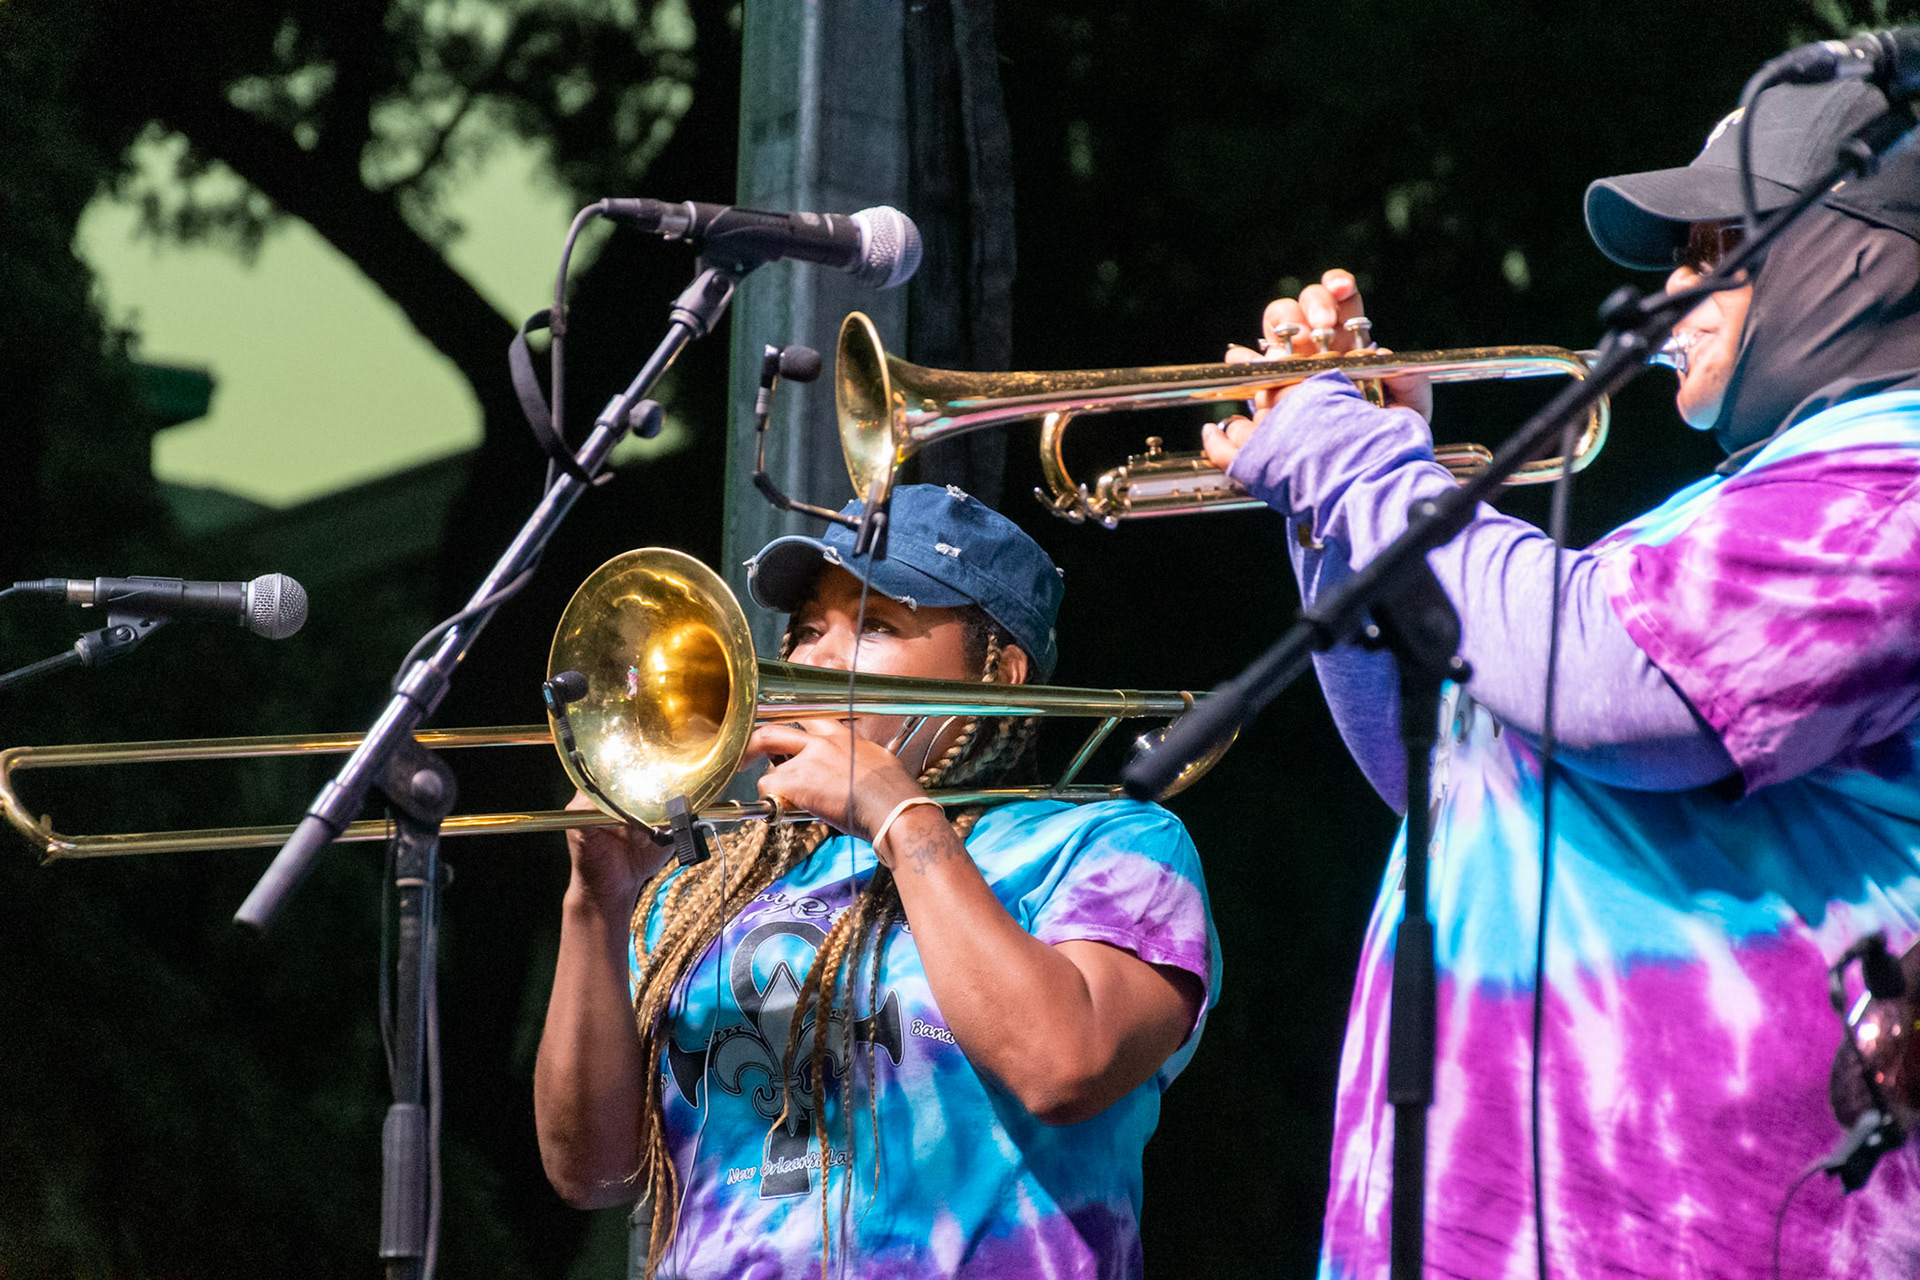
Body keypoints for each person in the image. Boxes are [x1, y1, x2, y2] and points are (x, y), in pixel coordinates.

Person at [1200, 80, 1920, 1277]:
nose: (1670, 293)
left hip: (1690, 1229)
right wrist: (1338, 508)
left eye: (1715, 251)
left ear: (1847, 262)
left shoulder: (1894, 486)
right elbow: (1448, 757)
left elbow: (1612, 684)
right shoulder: (1733, 512)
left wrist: (1361, 461)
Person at [533, 483, 1219, 1280]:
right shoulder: (710, 885)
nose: (813, 659)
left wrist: (901, 818)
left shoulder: (1109, 845)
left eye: (876, 626)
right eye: (807, 630)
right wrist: (597, 902)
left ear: (1000, 674)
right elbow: (592, 1173)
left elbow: (1063, 1065)